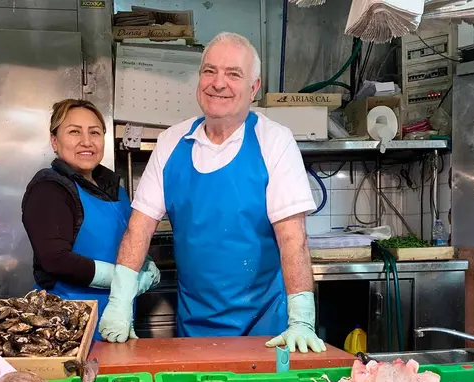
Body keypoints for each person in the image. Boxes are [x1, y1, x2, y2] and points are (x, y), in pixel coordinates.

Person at [98, 33, 327, 353]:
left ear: (254, 88)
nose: (218, 83)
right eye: (209, 71)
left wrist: (301, 319)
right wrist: (120, 302)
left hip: (266, 328)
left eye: (233, 74)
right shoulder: (170, 143)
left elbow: (293, 239)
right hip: (194, 326)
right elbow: (139, 228)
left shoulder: (274, 141)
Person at [21, 98, 160, 341]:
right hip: (67, 326)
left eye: (94, 132)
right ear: (54, 141)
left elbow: (128, 240)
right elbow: (56, 260)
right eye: (74, 132)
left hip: (118, 318)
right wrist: (122, 280)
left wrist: (145, 265)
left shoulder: (116, 189)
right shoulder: (49, 188)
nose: (86, 141)